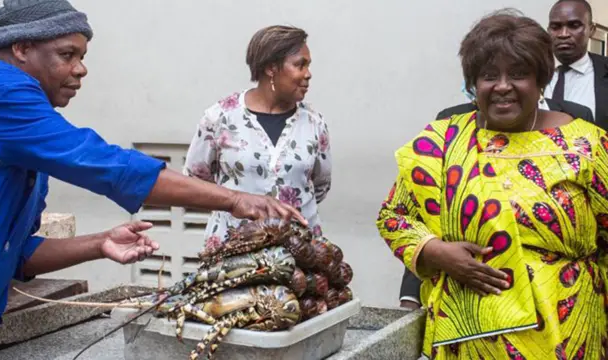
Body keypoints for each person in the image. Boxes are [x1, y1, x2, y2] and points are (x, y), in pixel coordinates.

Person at [0, 0, 306, 335]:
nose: (81, 69)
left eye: (82, 57)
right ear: (23, 48)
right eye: (67, 55)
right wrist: (232, 199)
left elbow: (17, 256)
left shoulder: (23, 138)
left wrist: (100, 243)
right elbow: (106, 164)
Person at [377, 9, 608, 359]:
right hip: (469, 342)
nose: (502, 86)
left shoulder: (588, 146)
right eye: (488, 75)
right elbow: (394, 217)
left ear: (540, 79)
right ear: (474, 83)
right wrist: (436, 252)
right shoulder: (443, 141)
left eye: (518, 74)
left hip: (566, 337)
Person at [183, 25, 332, 250]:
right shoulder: (220, 117)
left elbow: (320, 185)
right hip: (234, 253)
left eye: (308, 65)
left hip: (300, 255)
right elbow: (195, 180)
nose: (308, 74)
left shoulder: (314, 123)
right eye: (299, 65)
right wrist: (233, 206)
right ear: (271, 68)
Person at [545, 0, 608, 129]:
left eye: (574, 25)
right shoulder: (532, 72)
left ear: (591, 30)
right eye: (556, 27)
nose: (564, 34)